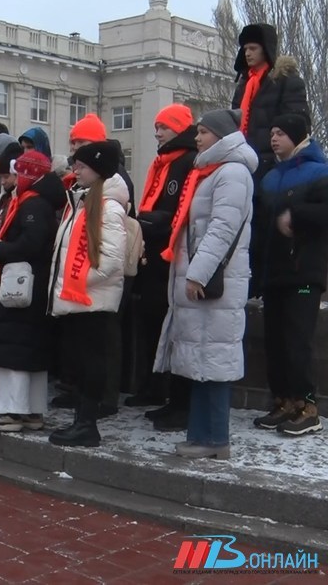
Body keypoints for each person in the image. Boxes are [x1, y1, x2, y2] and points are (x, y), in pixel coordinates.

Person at [154, 109, 256, 460]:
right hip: (208, 281)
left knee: (214, 360)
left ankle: (214, 439)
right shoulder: (213, 171)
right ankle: (203, 435)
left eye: (203, 132)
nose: (196, 138)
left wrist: (197, 273)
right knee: (203, 360)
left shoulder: (231, 173)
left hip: (215, 284)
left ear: (221, 135)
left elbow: (222, 228)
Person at [47, 141, 129, 448]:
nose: (75, 171)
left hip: (91, 299)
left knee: (92, 362)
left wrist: (75, 280)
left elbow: (110, 260)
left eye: (80, 166)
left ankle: (87, 424)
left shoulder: (108, 208)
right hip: (77, 297)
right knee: (80, 363)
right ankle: (81, 421)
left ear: (97, 169)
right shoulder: (82, 202)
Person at [0, 151, 64, 430]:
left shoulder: (31, 205)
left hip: (21, 285)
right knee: (31, 351)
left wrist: (1, 248)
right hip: (33, 286)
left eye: (12, 175)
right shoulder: (40, 203)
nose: (7, 181)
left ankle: (11, 410)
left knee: (13, 348)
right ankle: (31, 410)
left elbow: (32, 242)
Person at [252, 113, 327, 435]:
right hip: (274, 272)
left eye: (281, 133)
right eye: (272, 132)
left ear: (298, 136)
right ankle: (284, 401)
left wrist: (295, 215)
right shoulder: (269, 176)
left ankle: (309, 406)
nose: (274, 138)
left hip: (303, 270)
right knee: (276, 342)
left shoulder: (320, 172)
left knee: (298, 342)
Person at [127, 105, 198, 430]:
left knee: (166, 324)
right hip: (154, 252)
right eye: (156, 127)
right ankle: (154, 387)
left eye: (163, 128)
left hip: (169, 253)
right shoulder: (162, 163)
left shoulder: (184, 163)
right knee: (150, 322)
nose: (157, 133)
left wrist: (147, 222)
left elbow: (177, 211)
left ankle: (168, 392)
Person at [231, 23, 311, 180]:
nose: (247, 53)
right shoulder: (243, 85)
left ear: (266, 49)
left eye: (253, 48)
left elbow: (298, 125)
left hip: (274, 165)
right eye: (245, 49)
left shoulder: (286, 81)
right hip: (242, 162)